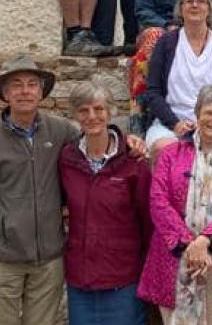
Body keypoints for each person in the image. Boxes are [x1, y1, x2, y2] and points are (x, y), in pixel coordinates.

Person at [0, 57, 76, 325]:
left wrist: (125, 140)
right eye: (16, 85)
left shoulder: (62, 132)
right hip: (2, 260)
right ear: (5, 93)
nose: (25, 91)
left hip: (48, 259)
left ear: (41, 92)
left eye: (32, 84)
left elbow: (95, 146)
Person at [139, 85, 212, 325]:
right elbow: (158, 201)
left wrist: (205, 241)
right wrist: (189, 245)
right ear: (197, 113)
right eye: (209, 112)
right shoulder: (171, 154)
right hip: (175, 256)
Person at [58, 83, 153, 324]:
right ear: (75, 115)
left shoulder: (134, 162)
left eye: (99, 109)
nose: (92, 116)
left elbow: (148, 221)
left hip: (123, 277)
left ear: (110, 112)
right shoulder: (66, 159)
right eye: (84, 110)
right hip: (81, 278)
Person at [142, 0, 212, 154]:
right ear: (180, 8)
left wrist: (207, 121)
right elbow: (153, 92)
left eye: (201, 1)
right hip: (170, 122)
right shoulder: (166, 44)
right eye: (188, 1)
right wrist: (175, 123)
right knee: (163, 149)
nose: (194, 5)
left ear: (209, 8)